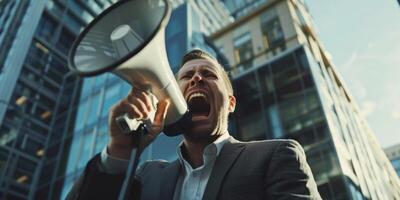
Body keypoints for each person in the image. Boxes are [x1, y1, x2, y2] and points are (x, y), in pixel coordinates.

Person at [67, 49, 321, 200]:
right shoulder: (145, 175)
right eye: (187, 76)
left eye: (209, 75)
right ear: (173, 99)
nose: (197, 78)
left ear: (231, 103)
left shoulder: (276, 155)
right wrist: (120, 150)